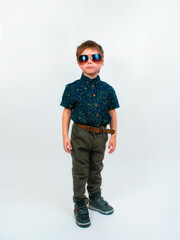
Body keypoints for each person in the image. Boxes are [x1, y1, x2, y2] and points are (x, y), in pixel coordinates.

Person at [60, 40, 120, 228]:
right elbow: (67, 112)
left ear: (101, 61)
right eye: (83, 58)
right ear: (79, 63)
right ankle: (79, 202)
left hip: (101, 135)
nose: (89, 61)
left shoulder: (108, 89)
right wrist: (65, 136)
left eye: (94, 57)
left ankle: (95, 197)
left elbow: (112, 113)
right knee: (80, 170)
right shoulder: (72, 88)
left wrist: (114, 135)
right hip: (80, 134)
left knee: (96, 167)